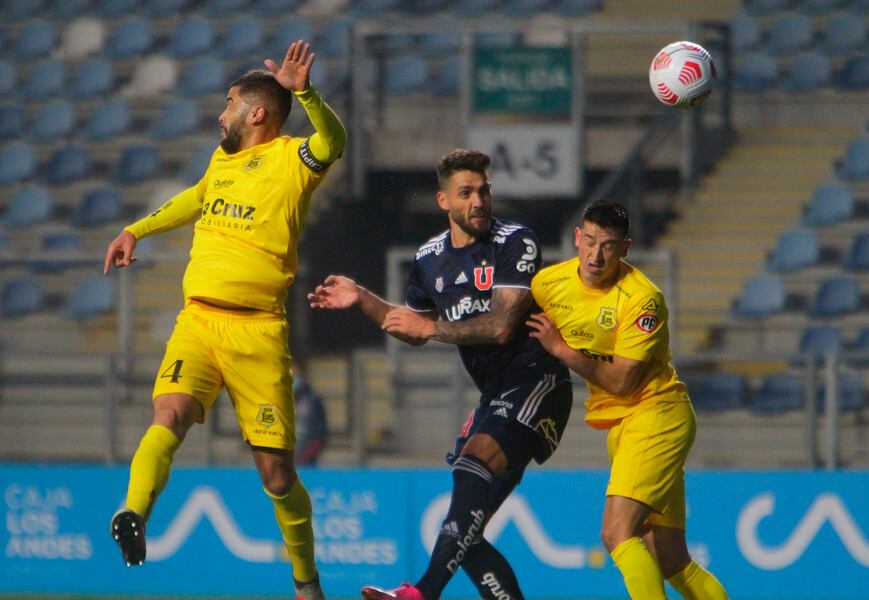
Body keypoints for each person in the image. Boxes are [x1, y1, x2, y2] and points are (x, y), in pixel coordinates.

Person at [104, 40, 346, 600]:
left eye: (230, 102)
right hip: (199, 322)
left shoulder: (292, 160)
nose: (221, 113)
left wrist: (304, 91)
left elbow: (334, 141)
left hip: (257, 331)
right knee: (170, 411)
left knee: (278, 478)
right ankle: (133, 512)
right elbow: (194, 198)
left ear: (256, 112)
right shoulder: (220, 162)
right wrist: (136, 229)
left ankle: (306, 582)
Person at [308, 149, 573, 600]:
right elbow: (413, 329)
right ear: (443, 201)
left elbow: (503, 325)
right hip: (495, 395)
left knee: (472, 468)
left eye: (484, 190)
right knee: (463, 533)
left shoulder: (516, 241)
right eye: (466, 192)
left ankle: (422, 593)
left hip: (538, 379)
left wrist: (431, 328)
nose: (479, 201)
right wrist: (364, 300)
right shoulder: (430, 258)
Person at [527, 201, 729, 600]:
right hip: (623, 426)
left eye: (608, 245)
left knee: (616, 532)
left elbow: (621, 381)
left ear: (626, 249)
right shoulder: (549, 284)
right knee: (673, 562)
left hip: (657, 416)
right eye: (589, 241)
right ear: (576, 239)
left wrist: (562, 351)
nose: (595, 255)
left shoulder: (642, 300)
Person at [291, 358, 328, 466]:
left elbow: (319, 434)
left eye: (294, 375)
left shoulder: (311, 402)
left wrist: (302, 458)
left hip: (304, 464)